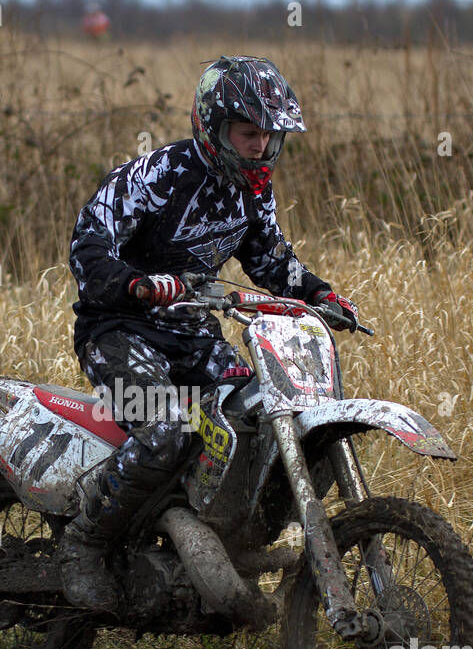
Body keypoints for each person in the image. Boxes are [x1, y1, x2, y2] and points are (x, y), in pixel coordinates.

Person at [60, 54, 359, 612]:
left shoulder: (253, 189)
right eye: (249, 134)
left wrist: (320, 295)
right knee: (167, 427)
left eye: (270, 136)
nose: (261, 147)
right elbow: (88, 241)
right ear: (213, 126)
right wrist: (137, 285)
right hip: (120, 328)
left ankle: (214, 538)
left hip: (191, 331)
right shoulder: (156, 176)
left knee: (255, 410)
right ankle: (85, 543)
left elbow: (270, 261)